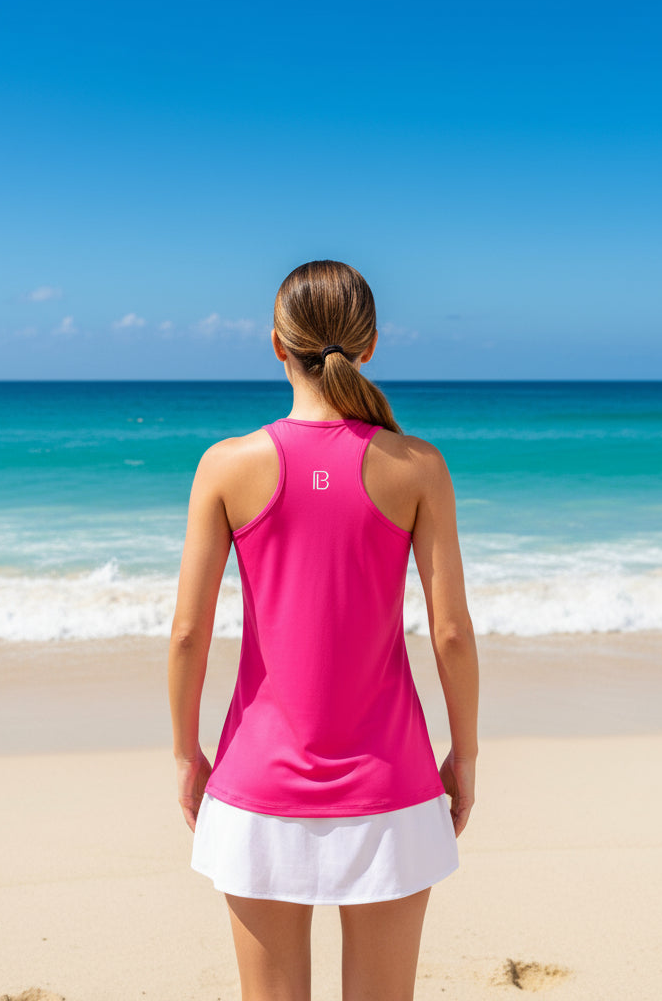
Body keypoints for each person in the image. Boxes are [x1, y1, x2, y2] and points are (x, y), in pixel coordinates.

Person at [168, 259, 479, 1001]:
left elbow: (187, 633)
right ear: (369, 346)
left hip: (257, 785)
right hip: (391, 784)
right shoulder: (417, 465)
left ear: (277, 344)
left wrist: (186, 753)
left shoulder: (226, 465)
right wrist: (464, 755)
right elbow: (451, 634)